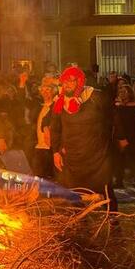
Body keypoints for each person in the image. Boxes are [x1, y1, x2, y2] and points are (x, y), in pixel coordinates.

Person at [50, 66, 116, 211]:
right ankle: (79, 221)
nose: (66, 84)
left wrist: (114, 142)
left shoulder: (95, 97)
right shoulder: (60, 101)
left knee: (104, 188)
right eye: (64, 81)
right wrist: (56, 151)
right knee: (73, 190)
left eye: (70, 81)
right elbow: (55, 128)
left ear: (79, 82)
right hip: (73, 156)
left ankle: (113, 220)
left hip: (97, 155)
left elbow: (112, 119)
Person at [30, 76, 58, 179]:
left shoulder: (56, 106)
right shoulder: (38, 107)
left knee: (52, 179)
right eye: (42, 90)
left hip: (50, 149)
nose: (45, 92)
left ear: (53, 91)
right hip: (39, 148)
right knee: (38, 179)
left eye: (48, 90)